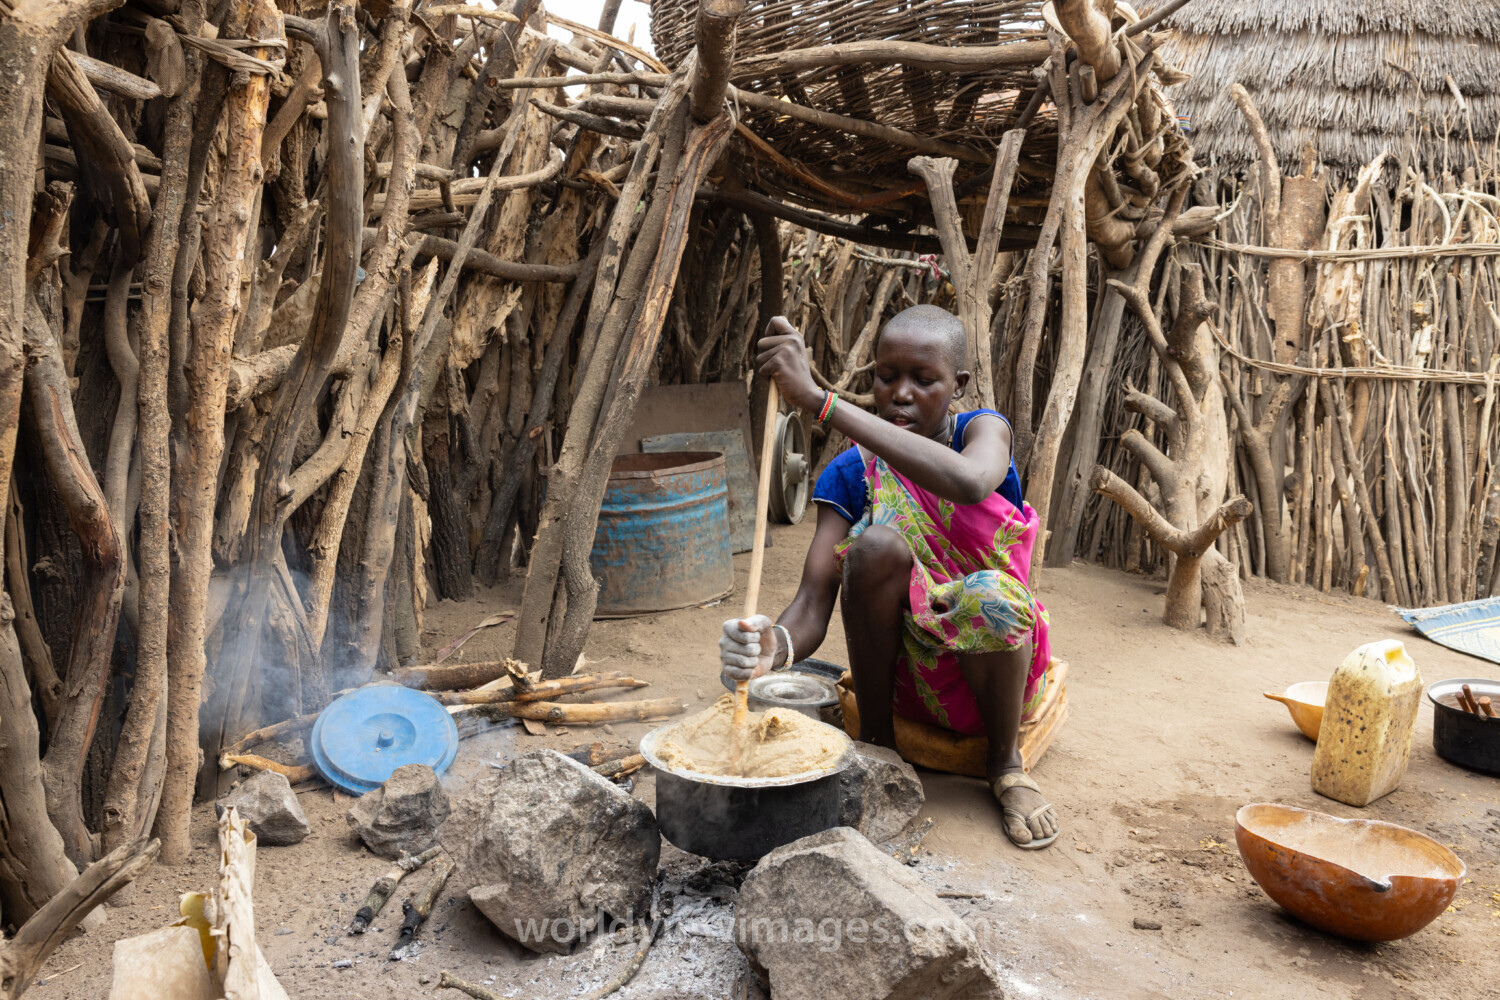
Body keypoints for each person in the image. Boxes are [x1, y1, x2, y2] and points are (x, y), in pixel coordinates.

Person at [718, 305, 1058, 849]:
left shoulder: (981, 432)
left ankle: (1005, 766)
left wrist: (823, 403)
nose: (901, 394)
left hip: (993, 669)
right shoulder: (852, 472)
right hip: (906, 679)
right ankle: (877, 744)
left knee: (989, 596)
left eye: (924, 381)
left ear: (958, 386)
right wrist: (770, 649)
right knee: (873, 546)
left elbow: (970, 484)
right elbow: (812, 602)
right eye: (885, 377)